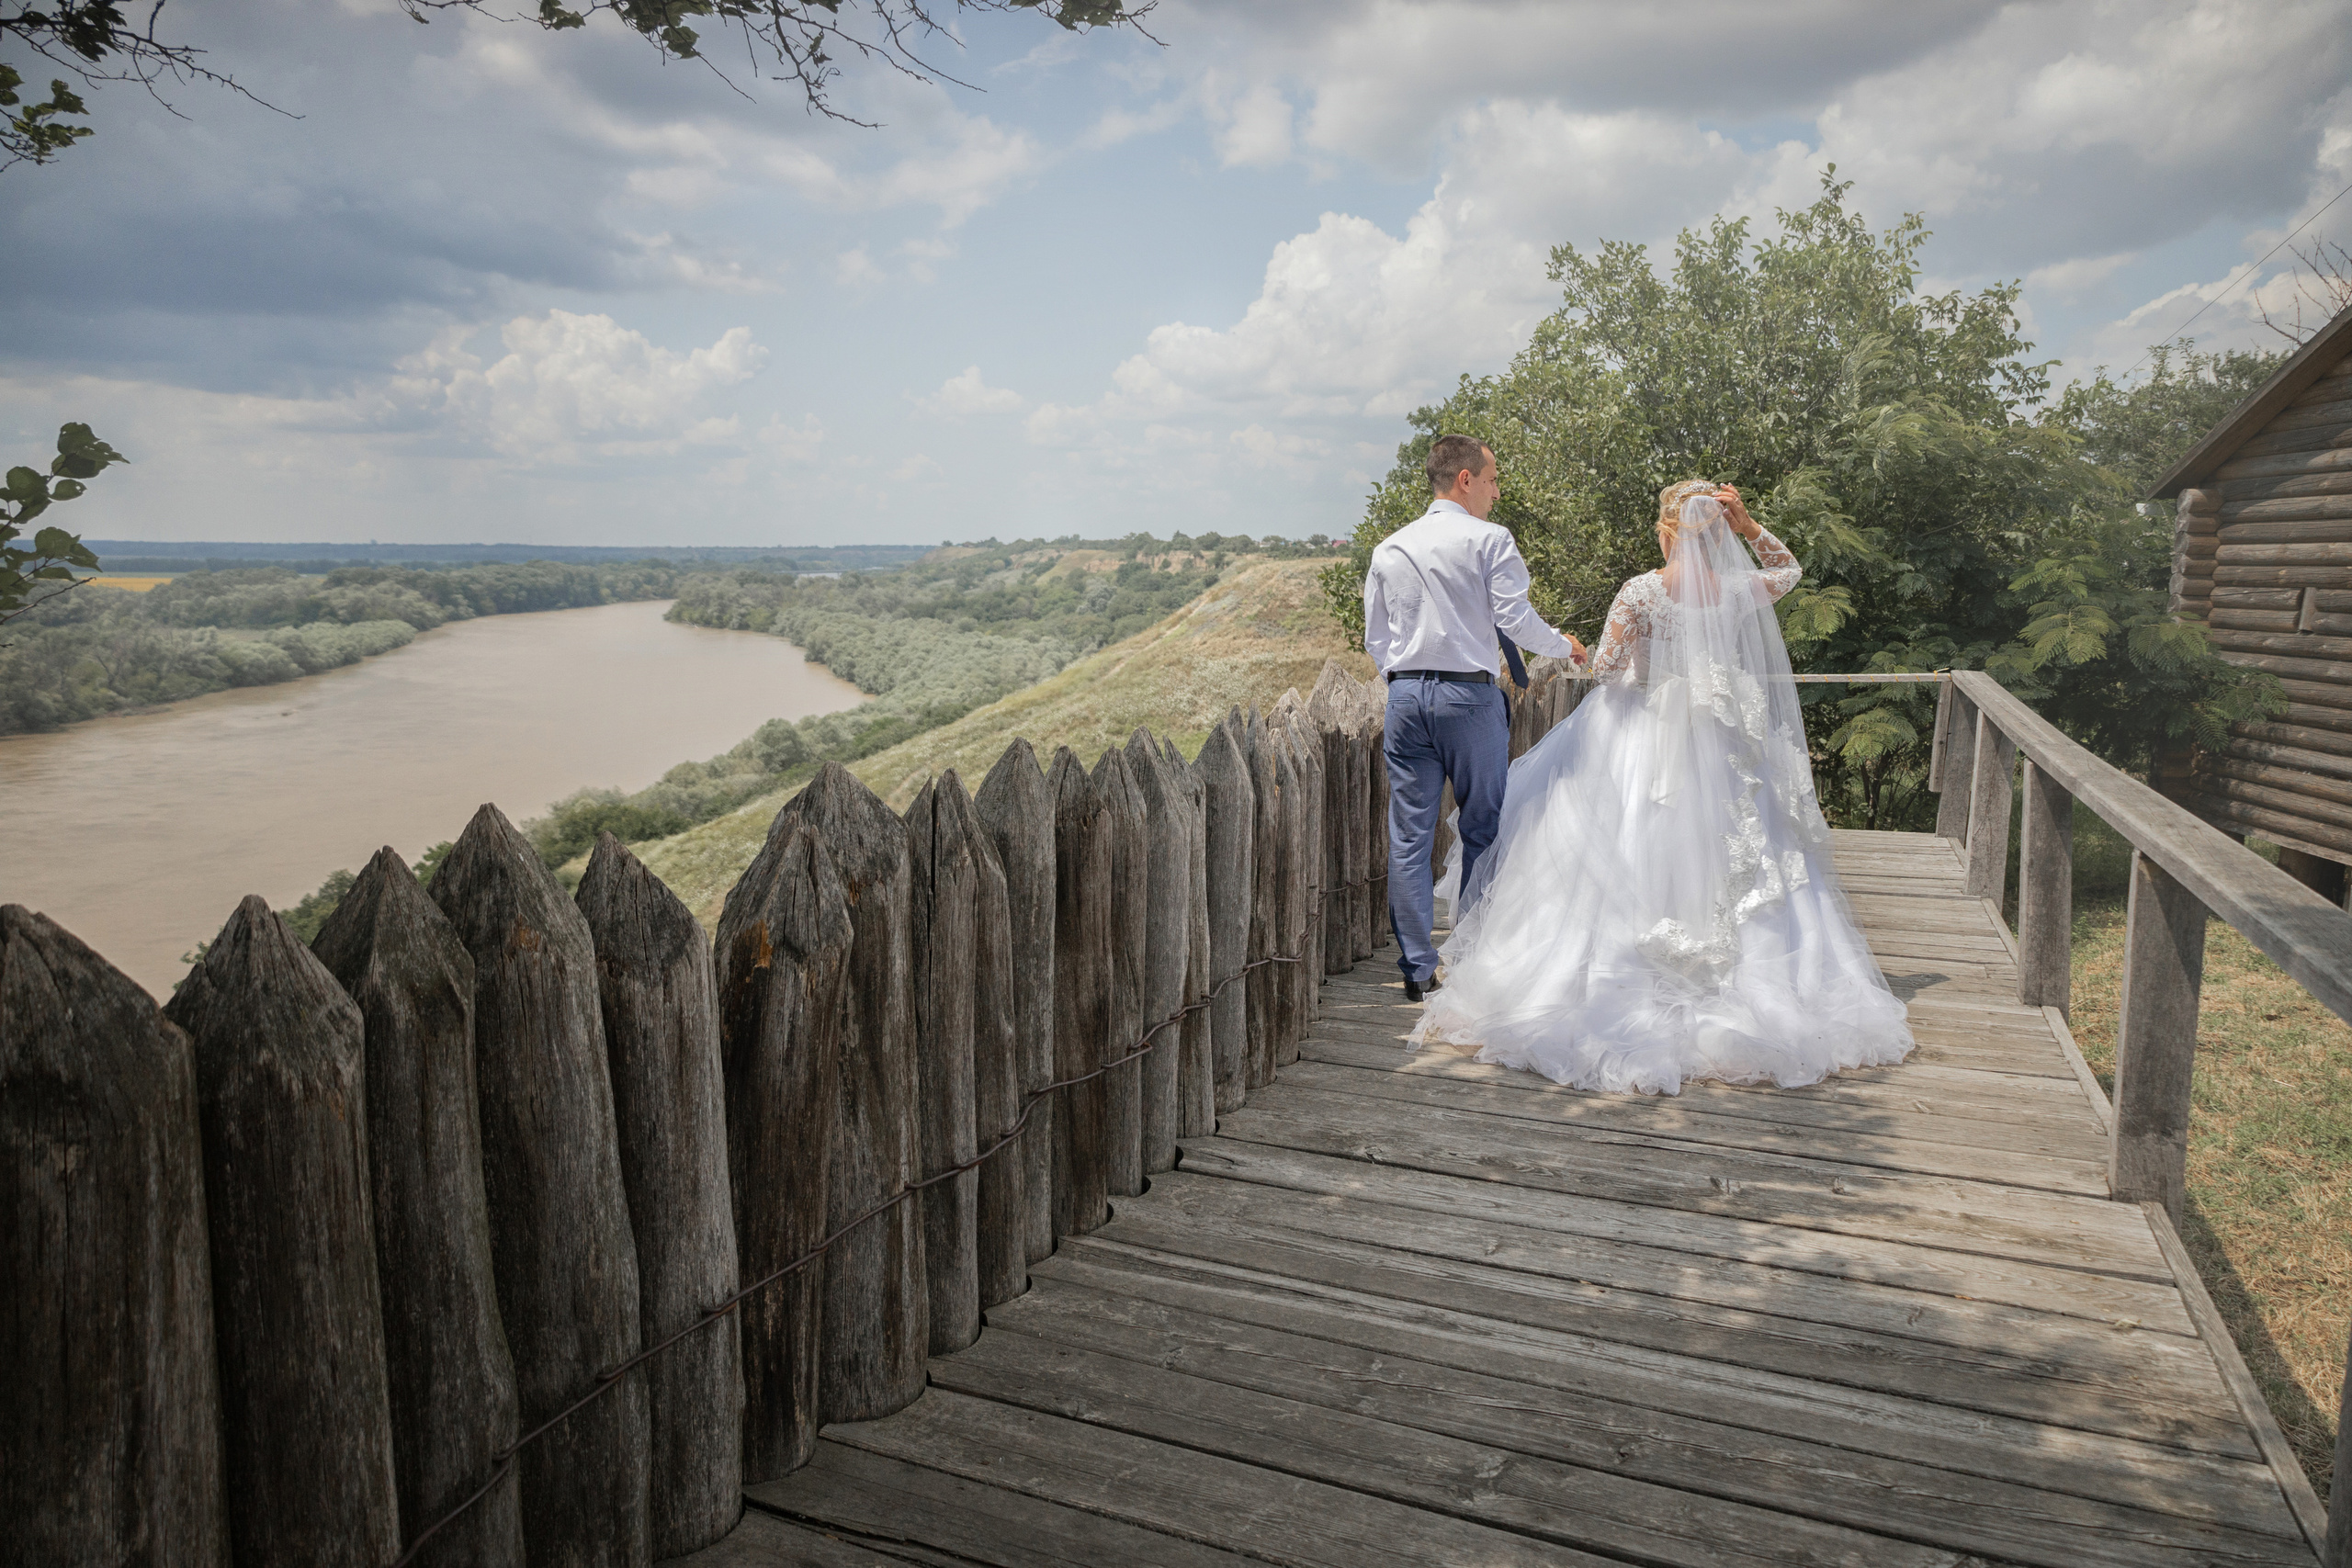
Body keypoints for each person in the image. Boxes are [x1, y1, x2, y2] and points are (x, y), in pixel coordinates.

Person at [1413, 479, 1914, 1094]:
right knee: (1744, 857)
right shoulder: (1734, 589)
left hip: (1642, 727)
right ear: (1718, 532)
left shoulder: (1643, 590)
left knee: (1619, 849)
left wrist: (1626, 661)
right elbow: (1789, 570)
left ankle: (1615, 976)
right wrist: (1750, 525)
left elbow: (1601, 668)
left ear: (1664, 530)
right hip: (1720, 737)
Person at [1363, 434, 1585, 1002]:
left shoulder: (1390, 547)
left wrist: (1409, 678)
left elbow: (1377, 639)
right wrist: (1565, 646)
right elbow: (1516, 619)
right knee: (1481, 826)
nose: (1496, 490)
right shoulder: (1490, 540)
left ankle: (1416, 967)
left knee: (1410, 837)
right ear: (1465, 479)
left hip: (1407, 701)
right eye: (1491, 478)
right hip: (1470, 699)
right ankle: (1472, 955)